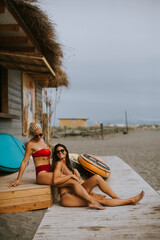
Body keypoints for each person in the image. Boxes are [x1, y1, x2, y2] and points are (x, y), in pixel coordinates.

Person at [52, 143, 145, 209]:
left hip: (76, 192)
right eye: (57, 152)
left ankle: (117, 198)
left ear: (66, 151)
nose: (60, 152)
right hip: (67, 197)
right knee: (100, 201)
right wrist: (70, 176)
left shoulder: (69, 166)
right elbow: (55, 181)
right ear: (56, 154)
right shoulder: (59, 164)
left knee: (97, 177)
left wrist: (92, 193)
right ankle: (131, 200)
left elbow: (77, 185)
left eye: (62, 150)